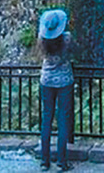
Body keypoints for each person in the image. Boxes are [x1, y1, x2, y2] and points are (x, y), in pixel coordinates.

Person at [38, 9, 74, 172]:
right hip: (64, 81)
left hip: (46, 81)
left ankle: (44, 161)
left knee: (47, 118)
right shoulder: (66, 38)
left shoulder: (42, 40)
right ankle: (62, 161)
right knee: (63, 120)